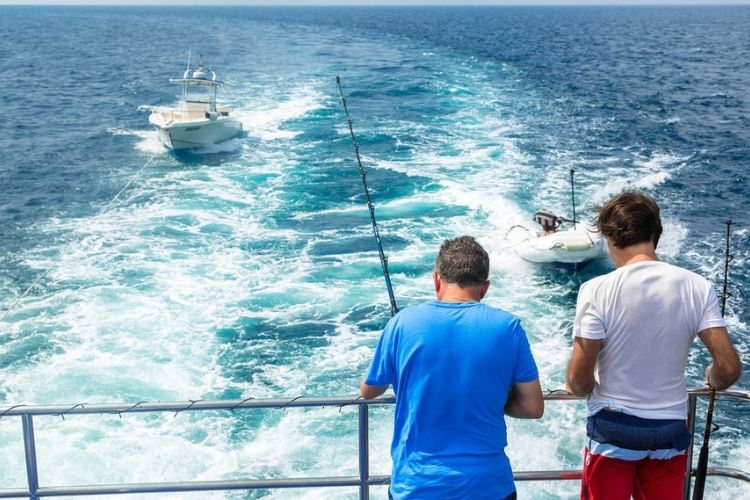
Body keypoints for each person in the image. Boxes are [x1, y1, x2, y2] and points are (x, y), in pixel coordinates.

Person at [566, 191, 742, 500]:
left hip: (613, 430)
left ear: (611, 239)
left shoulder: (596, 289)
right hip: (669, 432)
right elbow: (728, 369)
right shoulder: (698, 287)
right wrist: (712, 377)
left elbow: (579, 382)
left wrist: (583, 386)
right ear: (655, 234)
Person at [360, 235, 544, 500]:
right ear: (485, 288)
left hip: (416, 487)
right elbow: (532, 407)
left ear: (437, 280)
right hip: (489, 487)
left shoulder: (402, 323)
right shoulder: (509, 328)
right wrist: (494, 399)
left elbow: (369, 390)